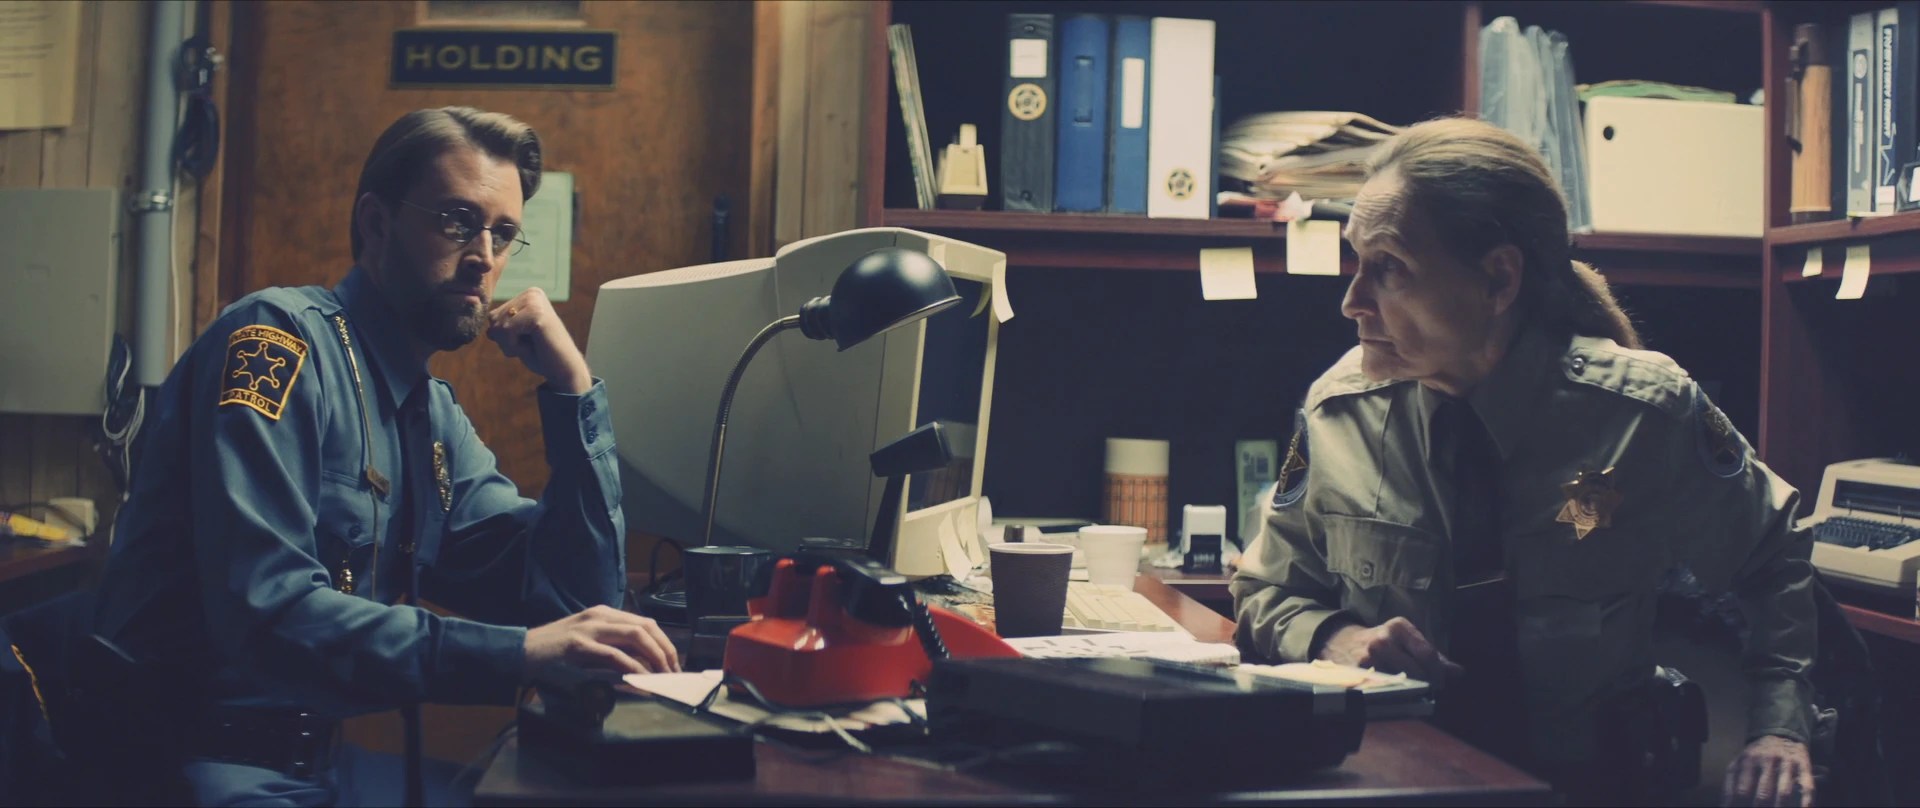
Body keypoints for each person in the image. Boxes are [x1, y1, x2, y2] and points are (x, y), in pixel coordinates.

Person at [66, 106, 677, 805]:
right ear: (377, 224)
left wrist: (573, 391)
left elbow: (570, 599)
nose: (484, 256)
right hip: (196, 763)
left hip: (319, 763)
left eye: (504, 233)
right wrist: (521, 653)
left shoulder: (430, 414)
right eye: (458, 221)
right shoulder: (275, 344)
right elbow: (271, 616)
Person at [1230, 118, 1817, 807]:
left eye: (1388, 267)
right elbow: (1265, 591)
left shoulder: (1641, 413)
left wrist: (1780, 729)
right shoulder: (1340, 413)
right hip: (1394, 783)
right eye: (1355, 262)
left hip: (1589, 787)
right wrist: (1336, 636)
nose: (1351, 302)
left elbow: (1771, 557)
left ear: (1498, 279)